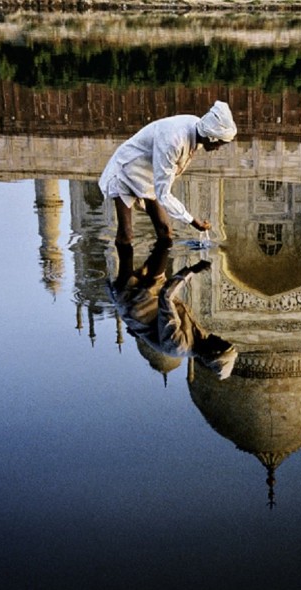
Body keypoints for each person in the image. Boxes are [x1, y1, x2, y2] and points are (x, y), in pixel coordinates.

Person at [99, 100, 237, 245]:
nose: (217, 148)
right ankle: (125, 267)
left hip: (148, 177)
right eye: (218, 144)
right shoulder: (173, 142)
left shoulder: (199, 129)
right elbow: (164, 194)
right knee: (126, 235)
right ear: (210, 136)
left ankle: (153, 268)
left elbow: (165, 178)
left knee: (165, 230)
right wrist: (193, 222)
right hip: (126, 171)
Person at [111, 240, 237, 380]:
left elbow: (166, 297)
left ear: (214, 352)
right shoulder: (201, 337)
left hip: (134, 303)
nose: (220, 337)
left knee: (126, 250)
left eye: (222, 342)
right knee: (164, 242)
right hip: (154, 297)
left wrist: (192, 270)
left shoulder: (178, 345)